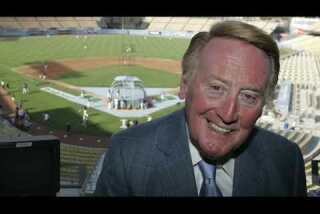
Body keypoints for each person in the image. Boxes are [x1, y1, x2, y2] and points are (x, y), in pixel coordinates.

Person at [95, 21, 307, 197]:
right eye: (216, 88)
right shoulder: (129, 155)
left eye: (248, 97)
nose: (228, 113)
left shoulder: (286, 161)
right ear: (185, 86)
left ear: (263, 105)